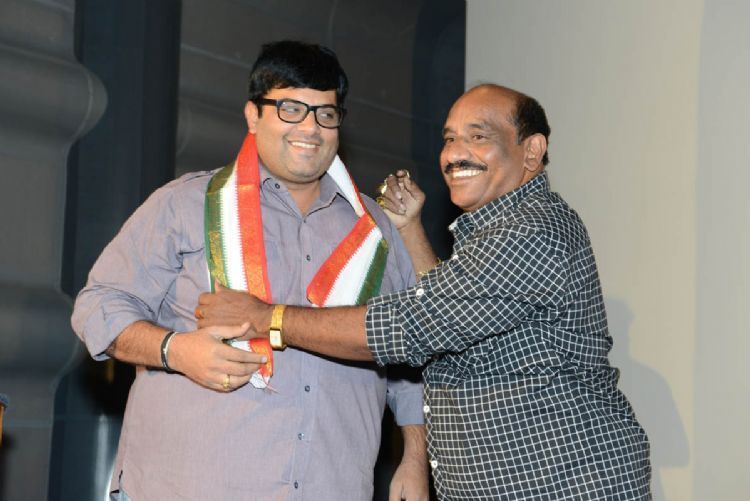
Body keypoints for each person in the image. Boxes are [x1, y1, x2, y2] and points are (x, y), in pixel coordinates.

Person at [198, 84, 652, 499]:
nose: (454, 154)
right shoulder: (497, 232)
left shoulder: (531, 231)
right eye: (449, 139)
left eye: (478, 137)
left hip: (560, 487)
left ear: (531, 151)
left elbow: (412, 326)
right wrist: (411, 229)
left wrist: (267, 318)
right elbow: (456, 311)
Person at [72, 40, 428, 501]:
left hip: (331, 486)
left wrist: (414, 458)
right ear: (253, 115)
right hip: (190, 488)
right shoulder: (185, 204)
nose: (311, 128)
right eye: (290, 109)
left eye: (326, 113)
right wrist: (175, 350)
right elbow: (98, 306)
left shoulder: (374, 231)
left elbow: (409, 352)